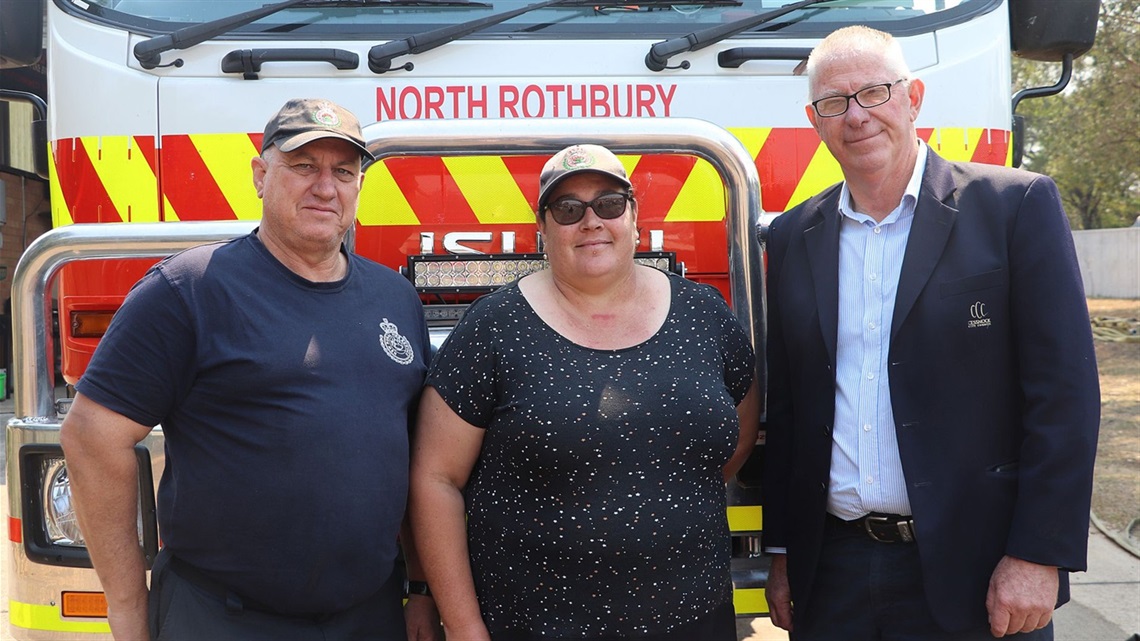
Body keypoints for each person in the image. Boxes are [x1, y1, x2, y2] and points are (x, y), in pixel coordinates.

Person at [762, 26, 1101, 641]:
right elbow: (789, 412)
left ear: (913, 97)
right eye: (835, 102)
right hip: (833, 573)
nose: (857, 115)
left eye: (875, 92)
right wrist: (784, 552)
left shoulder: (1014, 207)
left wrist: (1039, 554)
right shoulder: (791, 237)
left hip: (980, 571)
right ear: (815, 121)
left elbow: (1065, 398)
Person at [60, 98, 440, 641]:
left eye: (344, 172)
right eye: (304, 166)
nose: (325, 187)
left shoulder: (396, 298)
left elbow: (408, 455)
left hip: (368, 615)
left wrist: (421, 589)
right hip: (222, 619)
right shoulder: (189, 289)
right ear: (261, 176)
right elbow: (92, 438)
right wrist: (127, 610)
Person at [409, 143, 761, 640]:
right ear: (543, 230)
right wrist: (466, 628)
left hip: (695, 618)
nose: (591, 221)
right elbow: (435, 480)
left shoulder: (703, 314)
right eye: (568, 209)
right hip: (538, 625)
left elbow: (736, 436)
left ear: (635, 219)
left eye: (610, 204)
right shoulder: (492, 327)